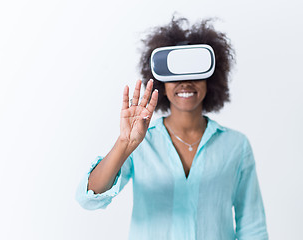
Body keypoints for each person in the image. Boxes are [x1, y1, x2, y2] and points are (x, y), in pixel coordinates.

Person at [75, 17, 269, 240]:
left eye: (194, 73)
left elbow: (253, 226)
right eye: (175, 74)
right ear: (161, 84)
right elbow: (89, 199)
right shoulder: (142, 141)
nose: (185, 82)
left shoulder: (236, 145)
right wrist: (124, 144)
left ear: (211, 80)